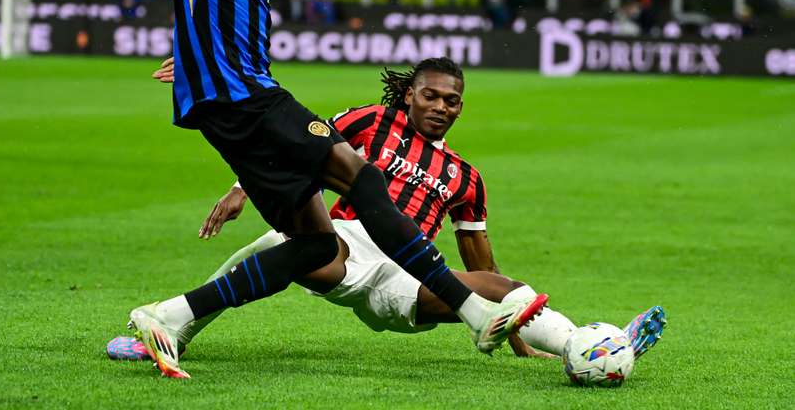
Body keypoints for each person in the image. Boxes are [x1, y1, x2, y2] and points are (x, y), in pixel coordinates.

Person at [0, 0, 548, 379]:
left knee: (316, 246)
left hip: (235, 107)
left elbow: (217, 16)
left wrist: (192, 61)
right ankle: (469, 308)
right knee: (361, 177)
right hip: (249, 100)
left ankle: (170, 316)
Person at [106, 58, 665, 363]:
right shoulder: (368, 121)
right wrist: (240, 190)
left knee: (508, 284)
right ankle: (173, 331)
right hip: (346, 242)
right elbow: (295, 144)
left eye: (452, 101)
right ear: (410, 95)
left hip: (404, 276)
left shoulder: (467, 178)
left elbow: (481, 259)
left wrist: (519, 334)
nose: (441, 107)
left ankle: (584, 348)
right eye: (431, 96)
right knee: (278, 248)